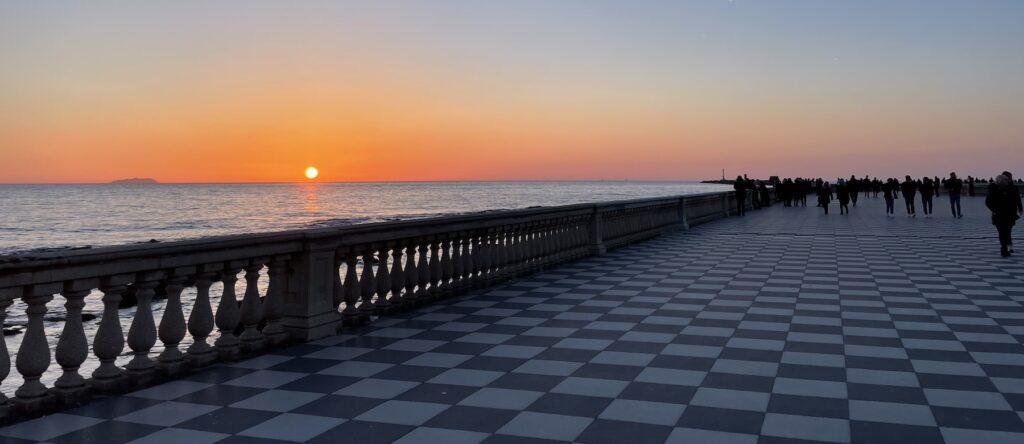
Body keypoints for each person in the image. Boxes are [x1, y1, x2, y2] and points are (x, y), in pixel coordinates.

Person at [985, 172, 1023, 257]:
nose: (1008, 181)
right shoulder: (994, 189)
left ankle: (1008, 249)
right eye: (1006, 180)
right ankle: (1004, 249)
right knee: (1003, 233)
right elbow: (988, 202)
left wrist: (1020, 209)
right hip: (999, 215)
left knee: (1007, 233)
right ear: (1001, 181)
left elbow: (1017, 200)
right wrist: (995, 210)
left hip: (1009, 215)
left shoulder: (1012, 188)